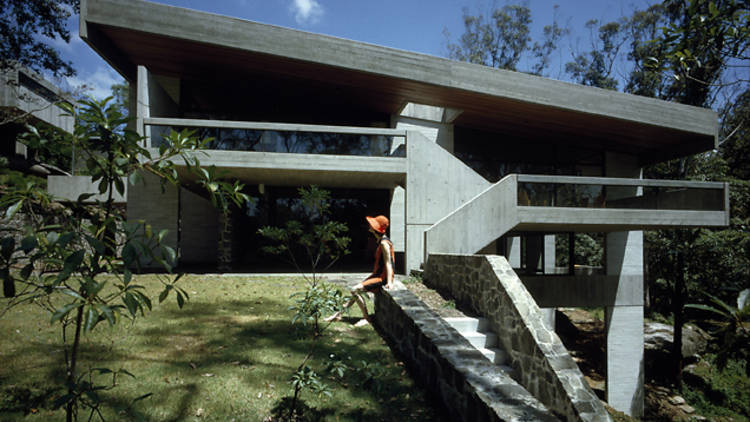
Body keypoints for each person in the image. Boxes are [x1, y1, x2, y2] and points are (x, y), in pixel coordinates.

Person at [326, 215, 394, 327]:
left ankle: (367, 318)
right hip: (376, 274)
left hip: (381, 277)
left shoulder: (384, 243)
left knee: (354, 290)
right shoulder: (380, 240)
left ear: (376, 228)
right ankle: (338, 314)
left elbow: (388, 263)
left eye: (372, 224)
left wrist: (390, 282)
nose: (369, 226)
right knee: (355, 292)